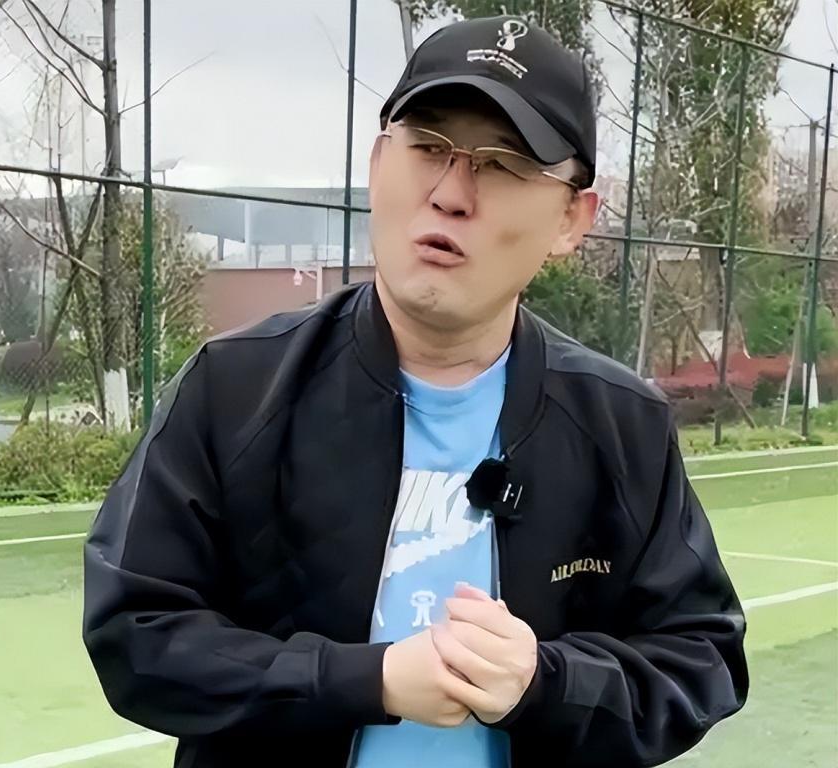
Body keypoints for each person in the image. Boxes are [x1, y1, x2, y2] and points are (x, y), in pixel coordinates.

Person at [83, 15, 747, 768]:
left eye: (503, 164)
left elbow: (700, 660)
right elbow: (136, 634)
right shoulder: (234, 389)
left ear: (571, 218)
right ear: (378, 164)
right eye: (429, 147)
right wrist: (366, 680)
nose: (451, 194)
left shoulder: (622, 425)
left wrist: (547, 682)